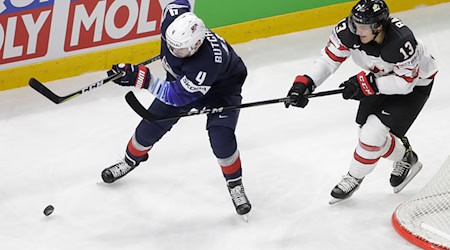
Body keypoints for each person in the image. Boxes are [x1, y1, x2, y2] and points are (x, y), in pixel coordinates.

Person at [101, 0, 251, 216]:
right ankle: (129, 161)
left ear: (197, 45)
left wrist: (142, 78)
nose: (172, 51)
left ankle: (235, 185)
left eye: (178, 50)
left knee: (221, 137)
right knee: (149, 127)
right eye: (170, 44)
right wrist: (132, 73)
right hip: (182, 82)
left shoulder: (207, 63)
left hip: (222, 91)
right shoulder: (172, 17)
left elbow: (176, 97)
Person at [285, 0, 438, 204]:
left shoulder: (401, 42)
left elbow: (404, 84)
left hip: (414, 84)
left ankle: (354, 177)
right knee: (368, 135)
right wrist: (306, 83)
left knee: (371, 135)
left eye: (364, 27)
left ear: (379, 26)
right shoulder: (348, 32)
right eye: (355, 24)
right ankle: (405, 157)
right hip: (381, 78)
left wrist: (366, 84)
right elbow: (329, 59)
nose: (357, 31)